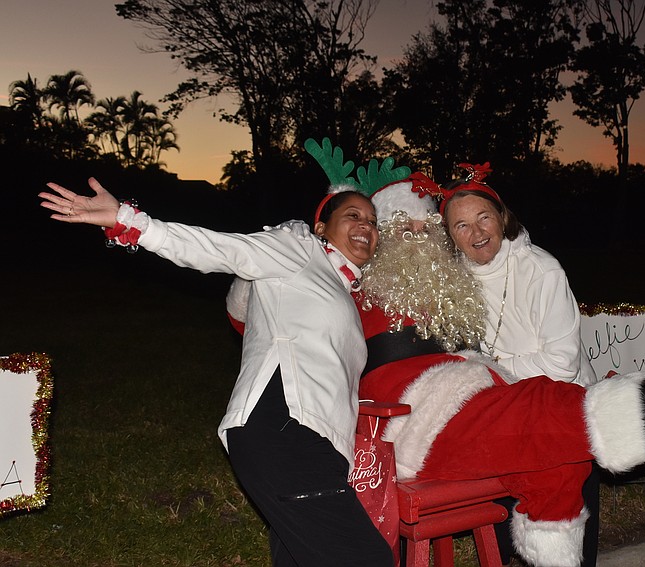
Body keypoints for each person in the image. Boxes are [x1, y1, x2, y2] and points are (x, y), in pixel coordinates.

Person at [227, 171, 645, 567]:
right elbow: (248, 307)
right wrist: (290, 251)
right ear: (384, 240)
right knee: (540, 408)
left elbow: (502, 269)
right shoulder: (346, 285)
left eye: (426, 230)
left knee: (556, 460)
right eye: (403, 231)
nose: (418, 240)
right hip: (410, 418)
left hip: (474, 399)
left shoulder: (457, 284)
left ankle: (546, 557)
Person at [39, 178, 393, 567]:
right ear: (321, 227)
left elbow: (244, 307)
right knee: (365, 557)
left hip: (320, 446)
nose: (366, 226)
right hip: (285, 429)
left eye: (373, 221)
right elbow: (221, 249)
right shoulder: (299, 248)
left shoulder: (336, 289)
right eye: (353, 215)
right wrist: (130, 221)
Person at [439, 163, 600, 566]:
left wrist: (491, 369)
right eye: (461, 226)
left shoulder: (541, 269)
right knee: (498, 519)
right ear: (450, 237)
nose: (476, 233)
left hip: (564, 405)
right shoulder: (450, 280)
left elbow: (561, 363)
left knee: (567, 522)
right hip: (506, 410)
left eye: (483, 218)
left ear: (502, 217)